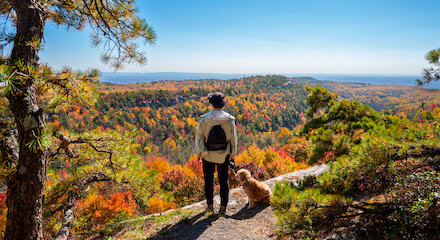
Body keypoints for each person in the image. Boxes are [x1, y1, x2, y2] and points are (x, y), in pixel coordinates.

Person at [195, 92, 237, 216]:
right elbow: (233, 138)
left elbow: (199, 137)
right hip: (223, 155)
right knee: (224, 180)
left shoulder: (205, 119)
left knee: (209, 180)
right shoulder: (229, 120)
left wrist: (199, 153)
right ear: (223, 104)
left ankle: (209, 206)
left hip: (208, 154)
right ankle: (223, 207)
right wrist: (232, 155)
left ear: (211, 103)